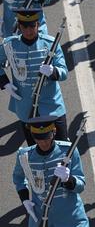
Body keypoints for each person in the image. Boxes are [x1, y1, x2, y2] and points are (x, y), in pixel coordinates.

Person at [13, 115, 95, 227]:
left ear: (53, 132)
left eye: (46, 137)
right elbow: (18, 178)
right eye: (38, 138)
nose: (43, 142)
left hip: (71, 225)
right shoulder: (25, 156)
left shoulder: (68, 151)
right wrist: (25, 200)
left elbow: (81, 185)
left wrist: (68, 179)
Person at [0, 8, 69, 146]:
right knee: (34, 148)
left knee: (62, 148)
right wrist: (4, 83)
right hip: (26, 107)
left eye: (32, 26)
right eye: (24, 26)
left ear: (38, 24)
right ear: (19, 26)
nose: (28, 30)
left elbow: (64, 72)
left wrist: (53, 71)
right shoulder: (9, 45)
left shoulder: (50, 44)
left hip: (52, 106)